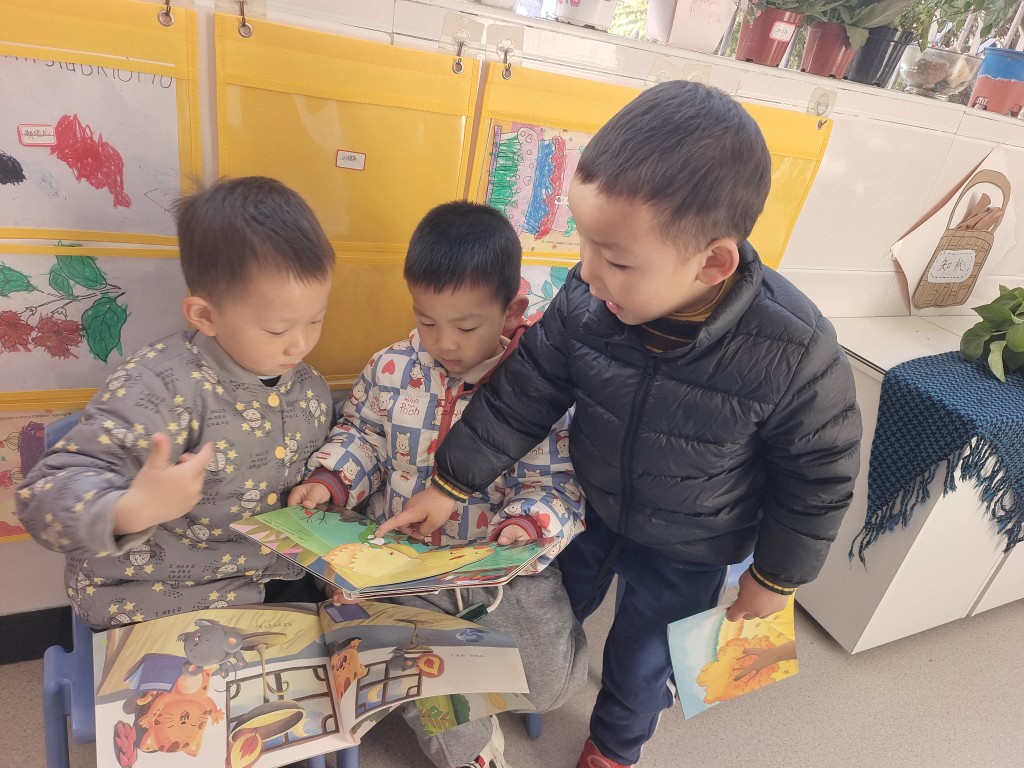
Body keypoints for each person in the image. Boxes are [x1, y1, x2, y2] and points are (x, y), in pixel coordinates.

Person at [378, 81, 863, 768]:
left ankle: (614, 747)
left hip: (693, 543)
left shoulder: (795, 349)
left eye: (616, 258)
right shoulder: (586, 300)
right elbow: (524, 392)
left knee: (644, 658)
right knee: (546, 611)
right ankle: (521, 687)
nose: (587, 271)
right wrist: (450, 484)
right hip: (592, 507)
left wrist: (774, 579)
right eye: (585, 243)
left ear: (712, 262)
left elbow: (819, 478)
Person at [289, 201, 587, 768]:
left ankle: (480, 669)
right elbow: (362, 435)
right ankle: (473, 749)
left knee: (549, 686)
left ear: (511, 311)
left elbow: (556, 484)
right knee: (414, 669)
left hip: (498, 571)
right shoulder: (391, 368)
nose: (443, 342)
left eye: (466, 326)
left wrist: (524, 527)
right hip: (398, 568)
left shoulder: (538, 389)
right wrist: (331, 480)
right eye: (426, 321)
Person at [16, 176, 336, 630]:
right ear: (205, 315)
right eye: (278, 329)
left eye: (316, 320)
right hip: (158, 596)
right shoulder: (156, 386)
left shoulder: (310, 387)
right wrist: (132, 509)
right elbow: (41, 502)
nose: (300, 345)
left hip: (273, 581)